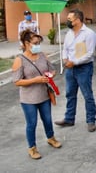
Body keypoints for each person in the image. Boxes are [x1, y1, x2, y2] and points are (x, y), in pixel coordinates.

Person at [12, 29, 62, 159]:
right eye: (35, 43)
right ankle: (32, 148)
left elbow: (52, 70)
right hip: (28, 99)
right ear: (26, 43)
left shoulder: (42, 55)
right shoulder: (20, 60)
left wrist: (50, 75)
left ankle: (51, 138)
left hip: (44, 95)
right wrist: (35, 80)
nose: (37, 45)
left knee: (47, 119)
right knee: (32, 123)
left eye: (39, 42)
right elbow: (17, 81)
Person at [55, 9, 96, 132]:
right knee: (70, 94)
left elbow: (90, 54)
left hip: (84, 68)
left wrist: (74, 62)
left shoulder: (89, 34)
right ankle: (69, 118)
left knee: (87, 95)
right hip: (70, 68)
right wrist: (64, 59)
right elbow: (65, 49)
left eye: (69, 19)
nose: (67, 21)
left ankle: (91, 120)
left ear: (77, 20)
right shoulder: (69, 33)